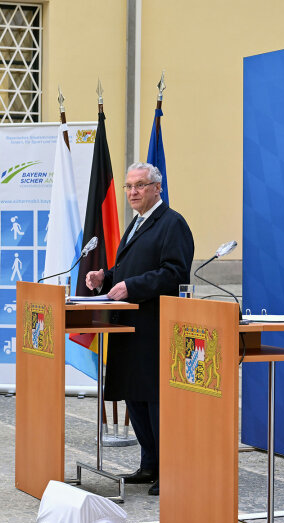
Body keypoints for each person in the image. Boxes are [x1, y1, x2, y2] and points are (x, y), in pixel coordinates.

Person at [85, 162, 194, 496]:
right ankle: (149, 465)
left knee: (156, 401)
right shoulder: (139, 222)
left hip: (156, 327)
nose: (132, 192)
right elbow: (133, 265)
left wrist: (130, 285)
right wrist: (107, 275)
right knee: (135, 397)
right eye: (129, 186)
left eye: (140, 186)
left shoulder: (172, 224)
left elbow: (174, 273)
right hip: (130, 327)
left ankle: (169, 469)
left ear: (157, 188)